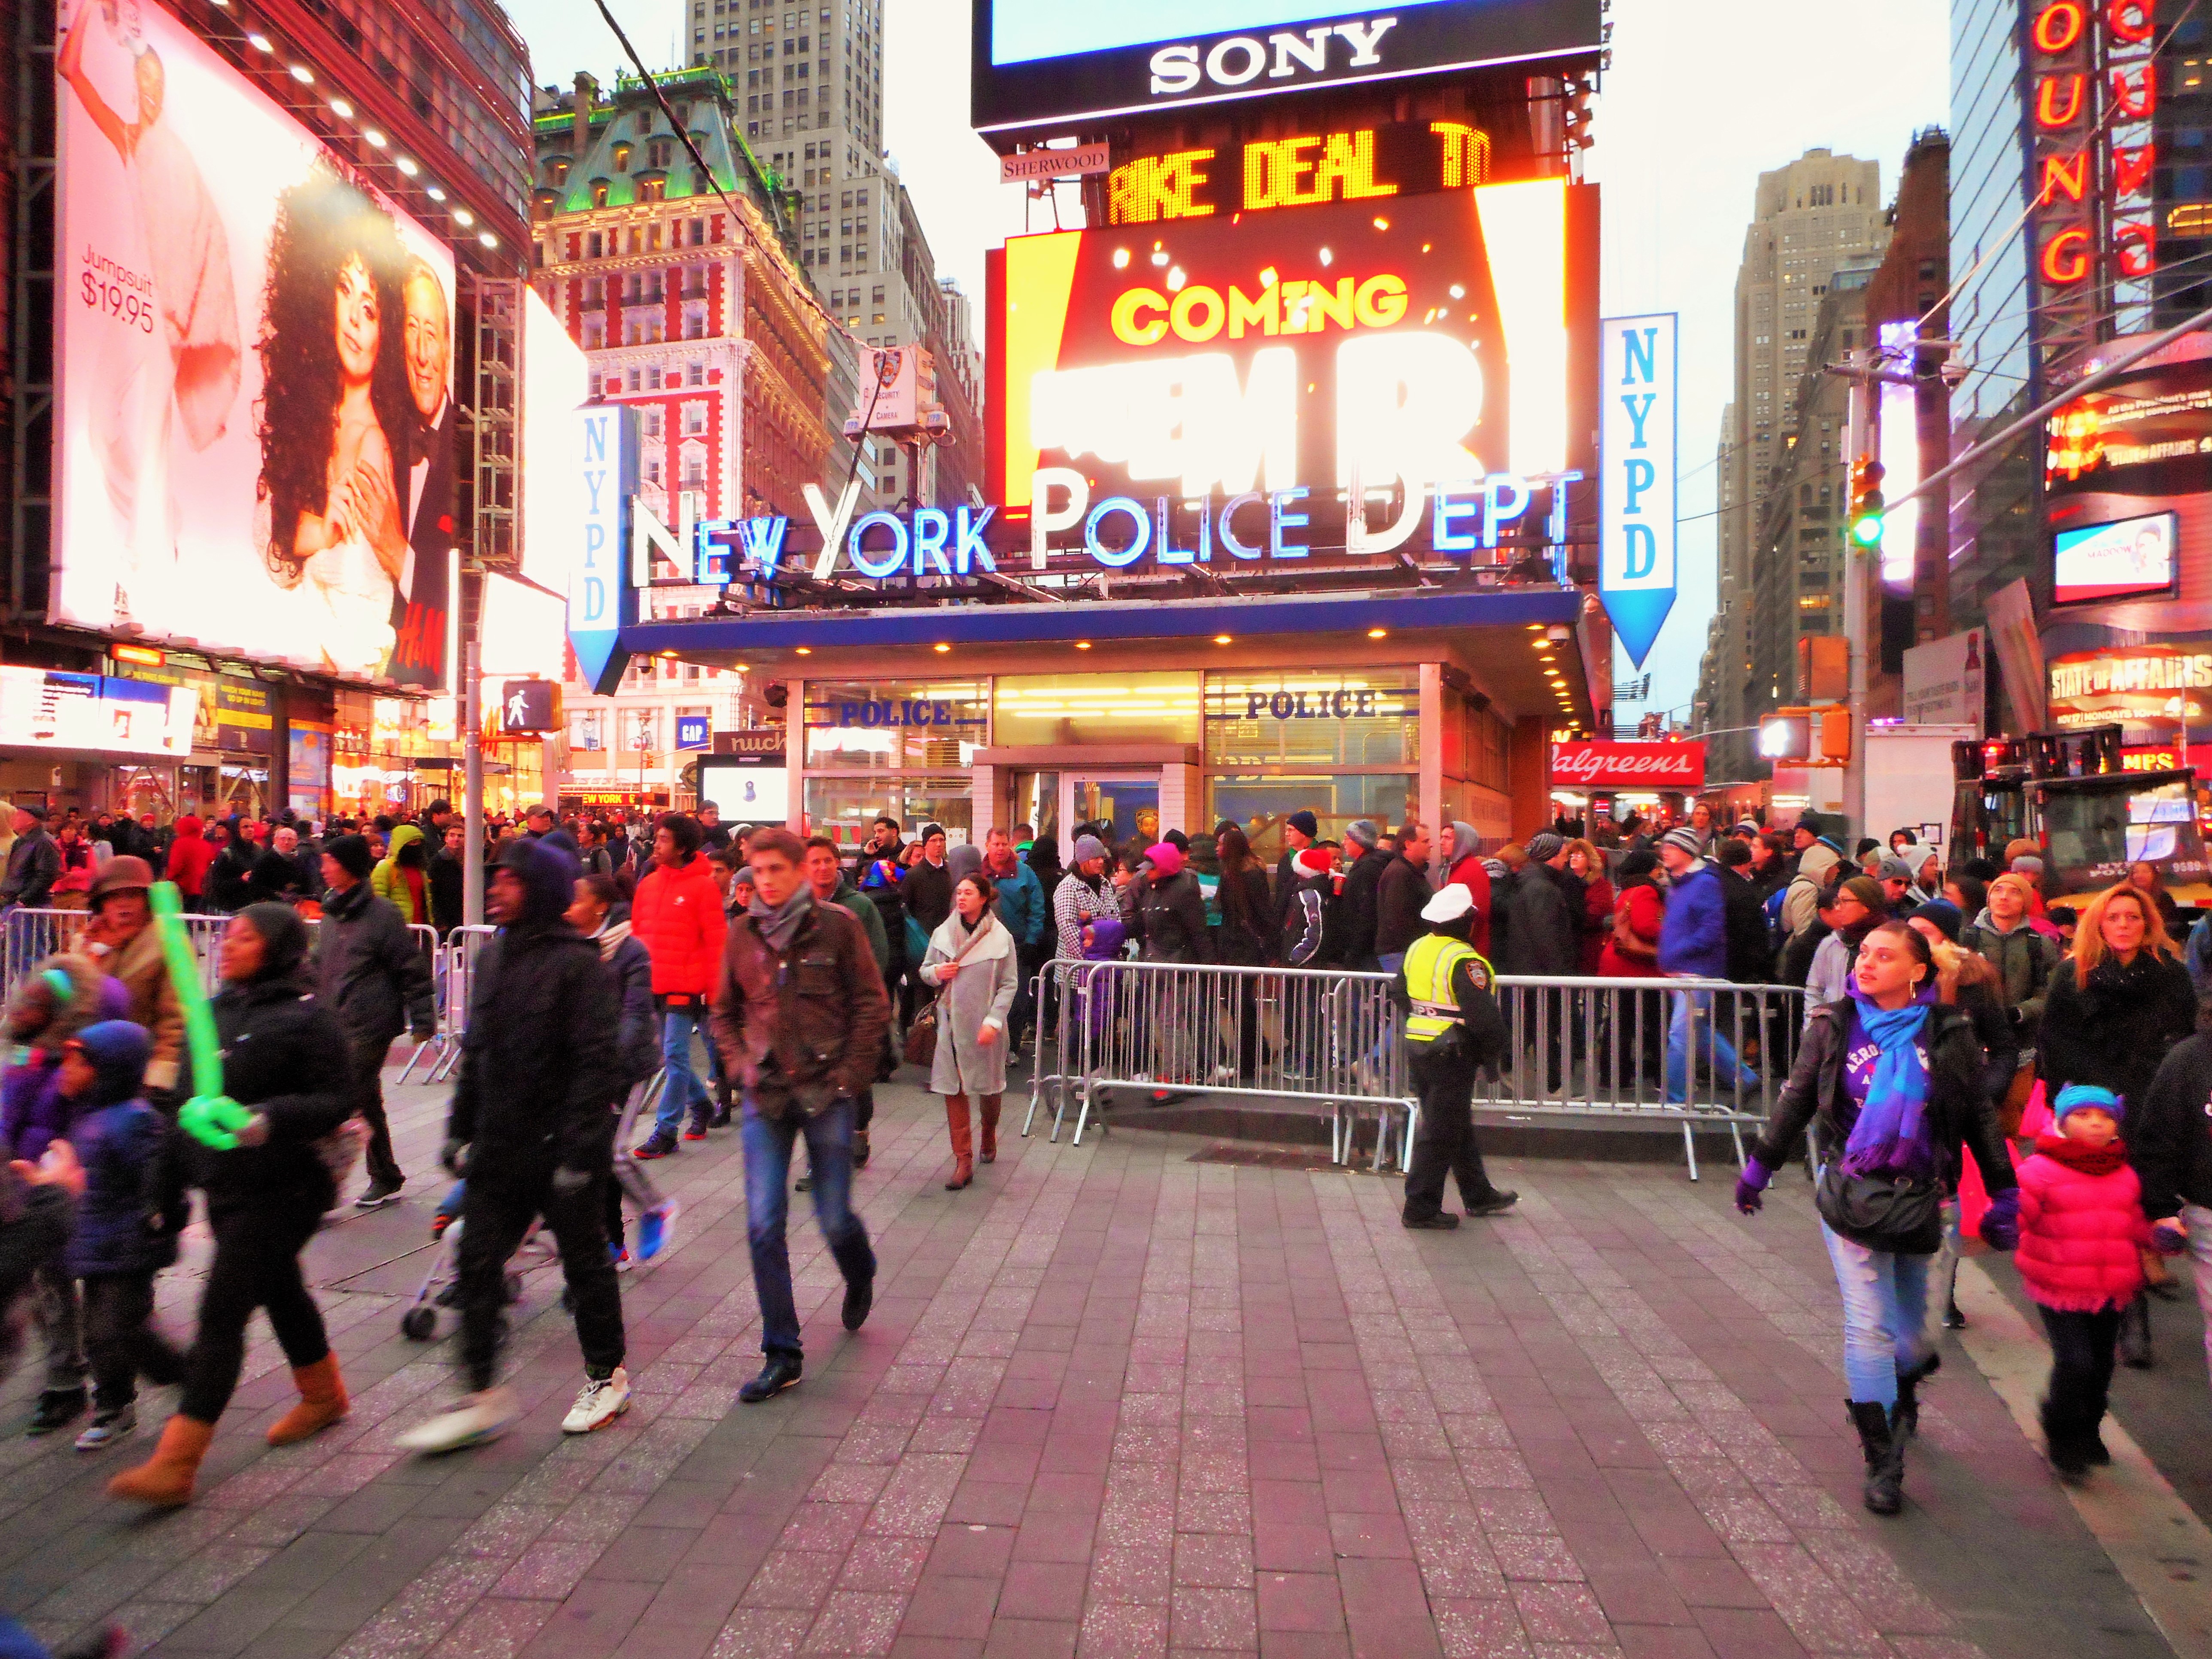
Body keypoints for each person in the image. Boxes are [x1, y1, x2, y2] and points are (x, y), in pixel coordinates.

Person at [1734, 921, 2020, 1517]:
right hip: (1854, 1194)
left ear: (1917, 971)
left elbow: (1976, 1115)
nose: (1865, 963)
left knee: (1917, 1337)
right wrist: (1759, 1168)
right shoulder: (1834, 1024)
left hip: (1930, 1198)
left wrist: (2004, 1192)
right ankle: (1882, 1458)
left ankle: (1901, 1385)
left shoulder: (1948, 1032)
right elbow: (1798, 1097)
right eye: (1863, 953)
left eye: (1883, 956)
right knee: (1869, 1328)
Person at [108, 905, 353, 1507]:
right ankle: (324, 1395)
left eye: (246, 937)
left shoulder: (308, 1017)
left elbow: (338, 1098)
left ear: (277, 948)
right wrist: (163, 1189)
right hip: (226, 1186)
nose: (230, 944)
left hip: (288, 1186)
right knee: (281, 1288)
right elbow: (182, 1107)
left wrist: (268, 1119)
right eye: (230, 935)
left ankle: (178, 1462)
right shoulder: (211, 1014)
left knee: (222, 1314)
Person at [396, 840, 630, 1452]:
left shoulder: (579, 966)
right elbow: (478, 1052)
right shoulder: (496, 957)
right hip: (501, 1145)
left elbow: (596, 1064)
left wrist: (579, 1153)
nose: (496, 890)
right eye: (496, 879)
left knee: (584, 1263)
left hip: (561, 1150)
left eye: (510, 880)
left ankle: (606, 1377)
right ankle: (481, 1395)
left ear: (541, 890)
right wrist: (458, 1128)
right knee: (476, 1262)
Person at [709, 828, 889, 1404]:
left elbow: (871, 1003)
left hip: (826, 1091)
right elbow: (722, 1012)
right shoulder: (742, 933)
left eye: (776, 870)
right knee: (764, 1223)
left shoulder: (838, 926)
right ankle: (782, 1353)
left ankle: (859, 1271)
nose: (765, 881)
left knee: (834, 1218)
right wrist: (739, 1065)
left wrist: (851, 1076)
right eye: (757, 871)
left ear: (799, 872)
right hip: (766, 1094)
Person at [54, 1021, 187, 1452]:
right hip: (97, 1246)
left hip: (130, 1247)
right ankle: (116, 1403)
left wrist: (159, 1222)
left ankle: (183, 1376)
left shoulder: (135, 1120)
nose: (67, 1070)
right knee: (102, 1333)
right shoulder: (88, 1116)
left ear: (107, 1069)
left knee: (120, 1329)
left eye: (77, 1063)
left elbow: (161, 1181)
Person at [2008, 1084, 2150, 1480]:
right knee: (2075, 1362)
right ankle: (2062, 1435)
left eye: (2105, 1117)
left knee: (2102, 1365)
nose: (2095, 1124)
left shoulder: (2125, 1173)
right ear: (2062, 1121)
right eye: (2083, 1115)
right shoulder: (2039, 1170)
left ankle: (2089, 1430)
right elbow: (2019, 1215)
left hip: (2111, 1287)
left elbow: (2135, 1225)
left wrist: (2160, 1236)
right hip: (2059, 1287)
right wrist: (1997, 1223)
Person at [316, 833, 435, 1208]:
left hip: (372, 1021)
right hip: (337, 1018)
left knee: (346, 1096)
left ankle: (323, 1187)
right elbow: (320, 967)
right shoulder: (331, 914)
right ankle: (385, 1175)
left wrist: (423, 1019)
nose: (323, 868)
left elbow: (410, 967)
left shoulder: (383, 915)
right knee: (365, 1099)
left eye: (331, 862)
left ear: (349, 868)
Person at [1396, 886, 1516, 1228]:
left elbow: (1398, 990)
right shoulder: (1464, 959)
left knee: (1454, 1124)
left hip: (1420, 1044)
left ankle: (1479, 1195)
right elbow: (1483, 1016)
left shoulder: (1419, 948)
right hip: (1452, 1051)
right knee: (1440, 1131)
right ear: (1466, 921)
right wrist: (1495, 1051)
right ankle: (1420, 1208)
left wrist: (1425, 1016)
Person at [631, 813, 730, 1158]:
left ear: (682, 847)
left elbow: (717, 943)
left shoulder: (703, 887)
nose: (656, 845)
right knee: (669, 1057)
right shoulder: (648, 884)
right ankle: (700, 1104)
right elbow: (637, 937)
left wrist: (716, 994)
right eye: (656, 838)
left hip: (686, 985)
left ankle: (666, 1130)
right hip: (652, 983)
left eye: (664, 839)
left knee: (675, 1054)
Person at [919, 871, 1021, 1190]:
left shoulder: (1001, 937)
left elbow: (1009, 984)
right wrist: (938, 972)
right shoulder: (943, 933)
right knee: (954, 1089)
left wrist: (994, 1021)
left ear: (983, 898)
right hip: (951, 1024)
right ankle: (963, 1160)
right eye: (959, 892)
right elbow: (925, 970)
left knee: (989, 1088)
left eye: (968, 893)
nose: (961, 898)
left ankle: (989, 1133)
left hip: (985, 1026)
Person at [802, 836, 889, 1170]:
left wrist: (866, 1002)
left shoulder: (860, 906)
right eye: (815, 861)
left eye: (828, 860)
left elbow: (878, 955)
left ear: (837, 863)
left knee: (855, 1077)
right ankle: (820, 1159)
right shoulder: (799, 906)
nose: (822, 867)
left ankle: (859, 1130)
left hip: (850, 1010)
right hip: (814, 1012)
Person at [1657, 827, 1756, 1104]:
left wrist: (1676, 953)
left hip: (1697, 971)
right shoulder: (1681, 885)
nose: (1665, 852)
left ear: (1687, 852)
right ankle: (1744, 1078)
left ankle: (1675, 1099)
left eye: (1672, 847)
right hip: (1684, 970)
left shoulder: (1702, 884)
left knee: (1681, 1034)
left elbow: (1710, 930)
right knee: (1698, 1032)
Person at [984, 827, 1047, 1058]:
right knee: (988, 999)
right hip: (985, 947)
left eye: (1004, 844)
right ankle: (989, 1046)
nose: (1000, 849)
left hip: (1018, 945)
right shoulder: (979, 875)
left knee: (1017, 999)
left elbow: (1037, 909)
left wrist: (1032, 940)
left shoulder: (1025, 873)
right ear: (987, 846)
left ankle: (1012, 1047)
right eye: (996, 844)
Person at [1373, 821, 1434, 970]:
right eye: (1425, 841)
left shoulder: (1412, 871)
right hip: (1400, 953)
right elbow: (1397, 919)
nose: (1431, 845)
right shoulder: (1400, 873)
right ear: (1408, 844)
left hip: (1407, 952)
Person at [1337, 820, 1392, 969]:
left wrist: (1355, 951)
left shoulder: (1368, 868)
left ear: (1359, 841)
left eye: (1347, 838)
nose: (1343, 843)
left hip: (1366, 950)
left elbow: (1367, 912)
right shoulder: (1366, 864)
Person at [1054, 834, 1115, 963]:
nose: (1101, 862)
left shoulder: (1104, 884)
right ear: (1083, 860)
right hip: (1077, 965)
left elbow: (1115, 917)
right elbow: (1068, 928)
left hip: (1106, 962)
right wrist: (1089, 956)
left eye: (1102, 857)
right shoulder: (1068, 887)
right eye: (1095, 858)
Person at [1568, 839, 1615, 977]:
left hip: (1590, 945)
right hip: (1568, 945)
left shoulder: (1601, 886)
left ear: (1590, 860)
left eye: (1579, 855)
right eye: (1572, 855)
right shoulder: (1564, 882)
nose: (1574, 858)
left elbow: (1597, 913)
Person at [0, 806, 59, 911]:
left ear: (31, 821)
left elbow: (46, 874)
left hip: (30, 905)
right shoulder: (19, 842)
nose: (13, 819)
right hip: (12, 900)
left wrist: (25, 899)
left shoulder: (44, 842)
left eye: (18, 816)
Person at [370, 823, 430, 925]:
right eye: (412, 842)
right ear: (400, 845)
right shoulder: (386, 869)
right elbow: (377, 903)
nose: (415, 846)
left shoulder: (421, 869)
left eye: (418, 842)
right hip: (397, 928)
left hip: (421, 928)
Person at [246, 824, 315, 906]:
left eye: (290, 839)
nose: (286, 842)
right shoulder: (265, 860)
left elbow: (306, 884)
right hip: (270, 906)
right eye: (283, 839)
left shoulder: (299, 860)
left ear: (296, 842)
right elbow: (255, 887)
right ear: (275, 840)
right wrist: (277, 896)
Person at [161, 813, 212, 912]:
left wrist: (169, 878)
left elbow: (176, 866)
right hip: (201, 886)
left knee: (181, 914)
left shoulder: (180, 843)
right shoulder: (206, 845)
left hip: (183, 887)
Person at [428, 823, 468, 936]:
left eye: (461, 836)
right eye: (452, 835)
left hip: (465, 916)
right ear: (446, 839)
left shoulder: (471, 860)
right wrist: (439, 920)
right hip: (446, 919)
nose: (456, 839)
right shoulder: (437, 862)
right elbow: (431, 893)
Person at [2128, 860, 2183, 939]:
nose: (2140, 875)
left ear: (2154, 875)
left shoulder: (2164, 897)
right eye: (2136, 872)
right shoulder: (2127, 897)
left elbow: (2173, 923)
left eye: (2145, 872)